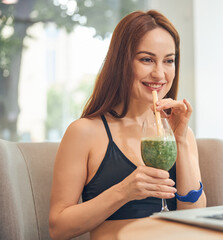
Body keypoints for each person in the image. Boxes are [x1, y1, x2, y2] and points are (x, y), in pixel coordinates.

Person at [49, 10, 206, 240]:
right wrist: (125, 191)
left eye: (169, 61)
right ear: (121, 62)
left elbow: (195, 217)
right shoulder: (84, 132)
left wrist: (181, 139)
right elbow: (58, 228)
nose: (159, 73)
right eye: (146, 59)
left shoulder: (180, 133)